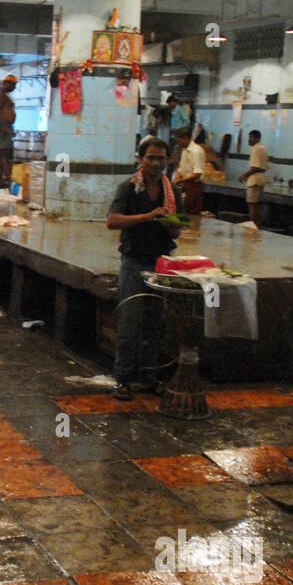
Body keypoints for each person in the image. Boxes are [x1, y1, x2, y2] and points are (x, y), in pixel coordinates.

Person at [107, 137, 181, 400]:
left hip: (160, 263)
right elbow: (113, 221)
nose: (156, 163)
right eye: (150, 157)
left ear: (167, 160)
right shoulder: (128, 188)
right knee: (130, 322)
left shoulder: (171, 190)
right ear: (140, 159)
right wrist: (147, 217)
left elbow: (179, 229)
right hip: (134, 263)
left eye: (161, 158)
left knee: (155, 323)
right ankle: (123, 380)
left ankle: (149, 378)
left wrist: (171, 226)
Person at [173, 126, 207, 214]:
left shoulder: (196, 151)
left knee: (192, 211)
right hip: (185, 185)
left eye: (179, 141)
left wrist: (181, 180)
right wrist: (176, 179)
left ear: (185, 138)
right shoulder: (184, 150)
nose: (178, 143)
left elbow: (197, 173)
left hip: (195, 185)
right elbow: (181, 169)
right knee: (183, 209)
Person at [238, 129, 269, 225]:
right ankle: (255, 226)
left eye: (251, 137)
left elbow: (255, 167)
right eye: (249, 137)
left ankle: (253, 227)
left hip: (255, 180)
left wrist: (244, 175)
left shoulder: (256, 148)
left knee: (252, 205)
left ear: (257, 138)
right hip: (260, 179)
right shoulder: (263, 148)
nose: (249, 140)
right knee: (255, 205)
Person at [0, 75, 18, 187]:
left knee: (5, 154)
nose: (14, 88)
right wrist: (4, 127)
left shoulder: (6, 95)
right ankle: (3, 180)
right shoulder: (1, 94)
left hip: (6, 125)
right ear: (8, 84)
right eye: (14, 85)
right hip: (2, 126)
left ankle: (3, 180)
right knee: (3, 154)